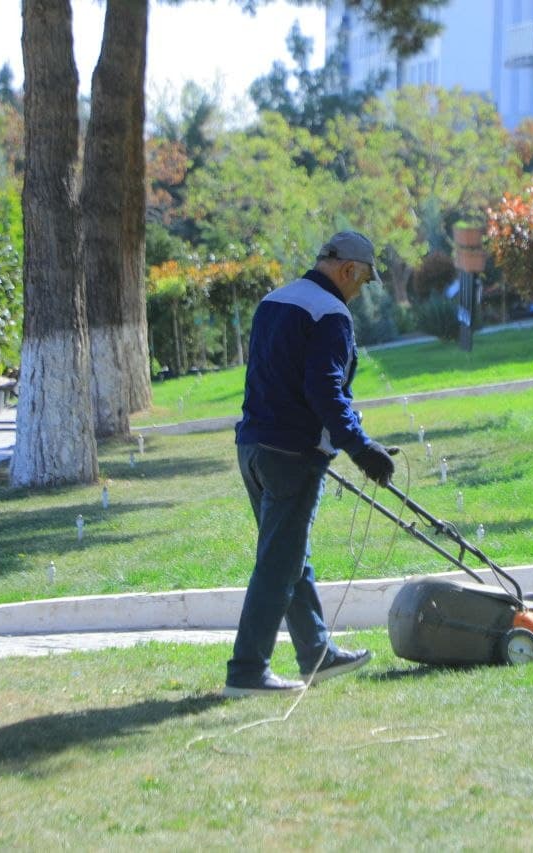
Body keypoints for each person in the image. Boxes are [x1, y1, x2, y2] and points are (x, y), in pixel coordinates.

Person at [224, 230, 396, 697]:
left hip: (253, 448)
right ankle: (246, 671)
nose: (359, 292)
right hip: (291, 455)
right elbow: (326, 392)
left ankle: (317, 654)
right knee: (279, 564)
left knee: (289, 556)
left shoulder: (274, 300)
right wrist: (361, 448)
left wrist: (354, 442)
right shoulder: (330, 314)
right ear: (346, 271)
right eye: (361, 281)